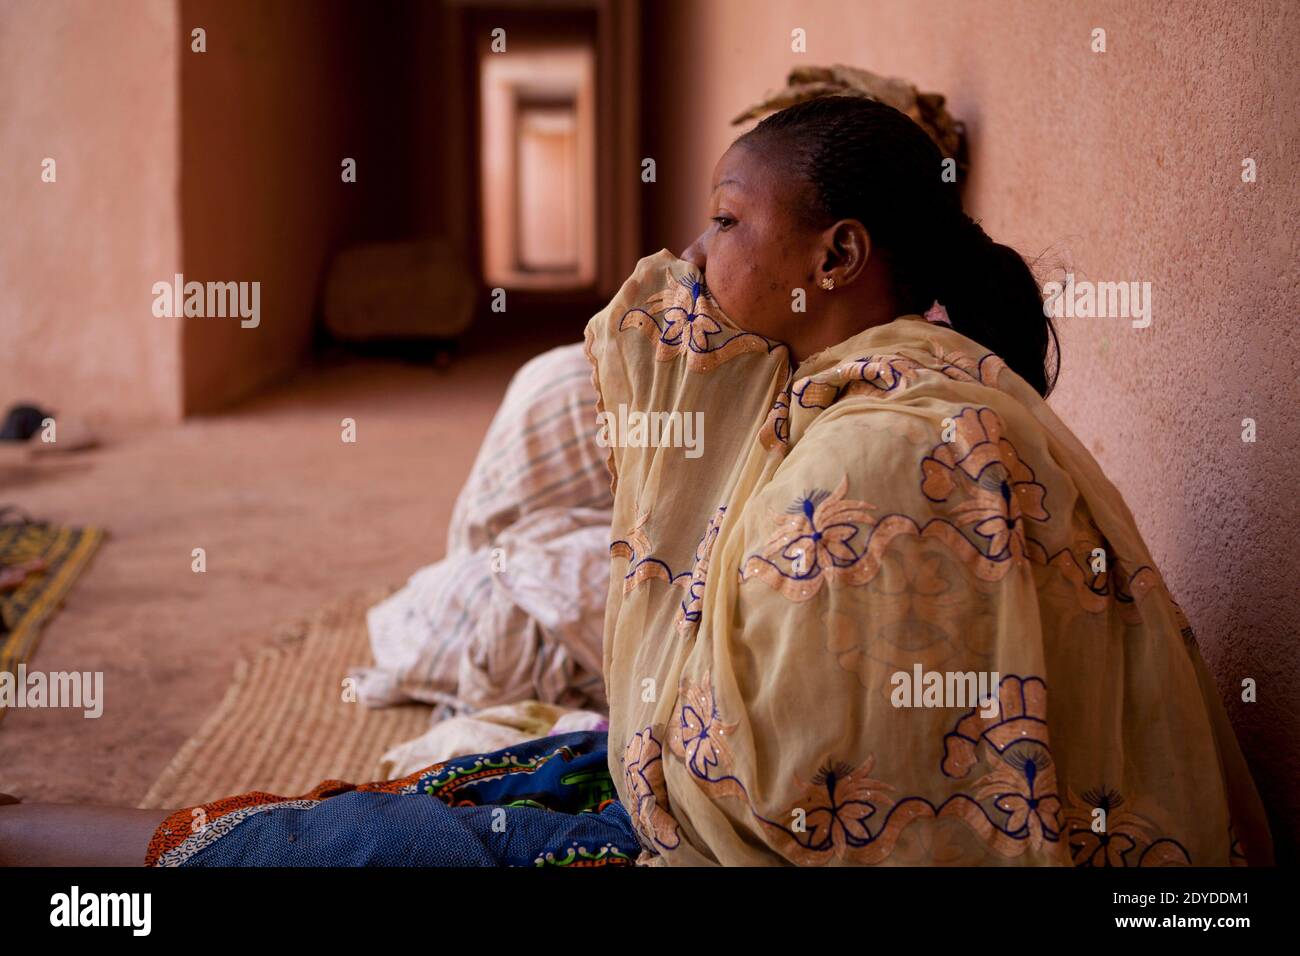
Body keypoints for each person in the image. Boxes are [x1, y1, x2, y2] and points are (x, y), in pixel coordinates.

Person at [0, 95, 1271, 866]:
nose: (690, 249)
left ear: (834, 253)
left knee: (364, 851)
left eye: (726, 218)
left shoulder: (883, 455)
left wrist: (660, 726)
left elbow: (814, 804)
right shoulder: (861, 391)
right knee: (472, 789)